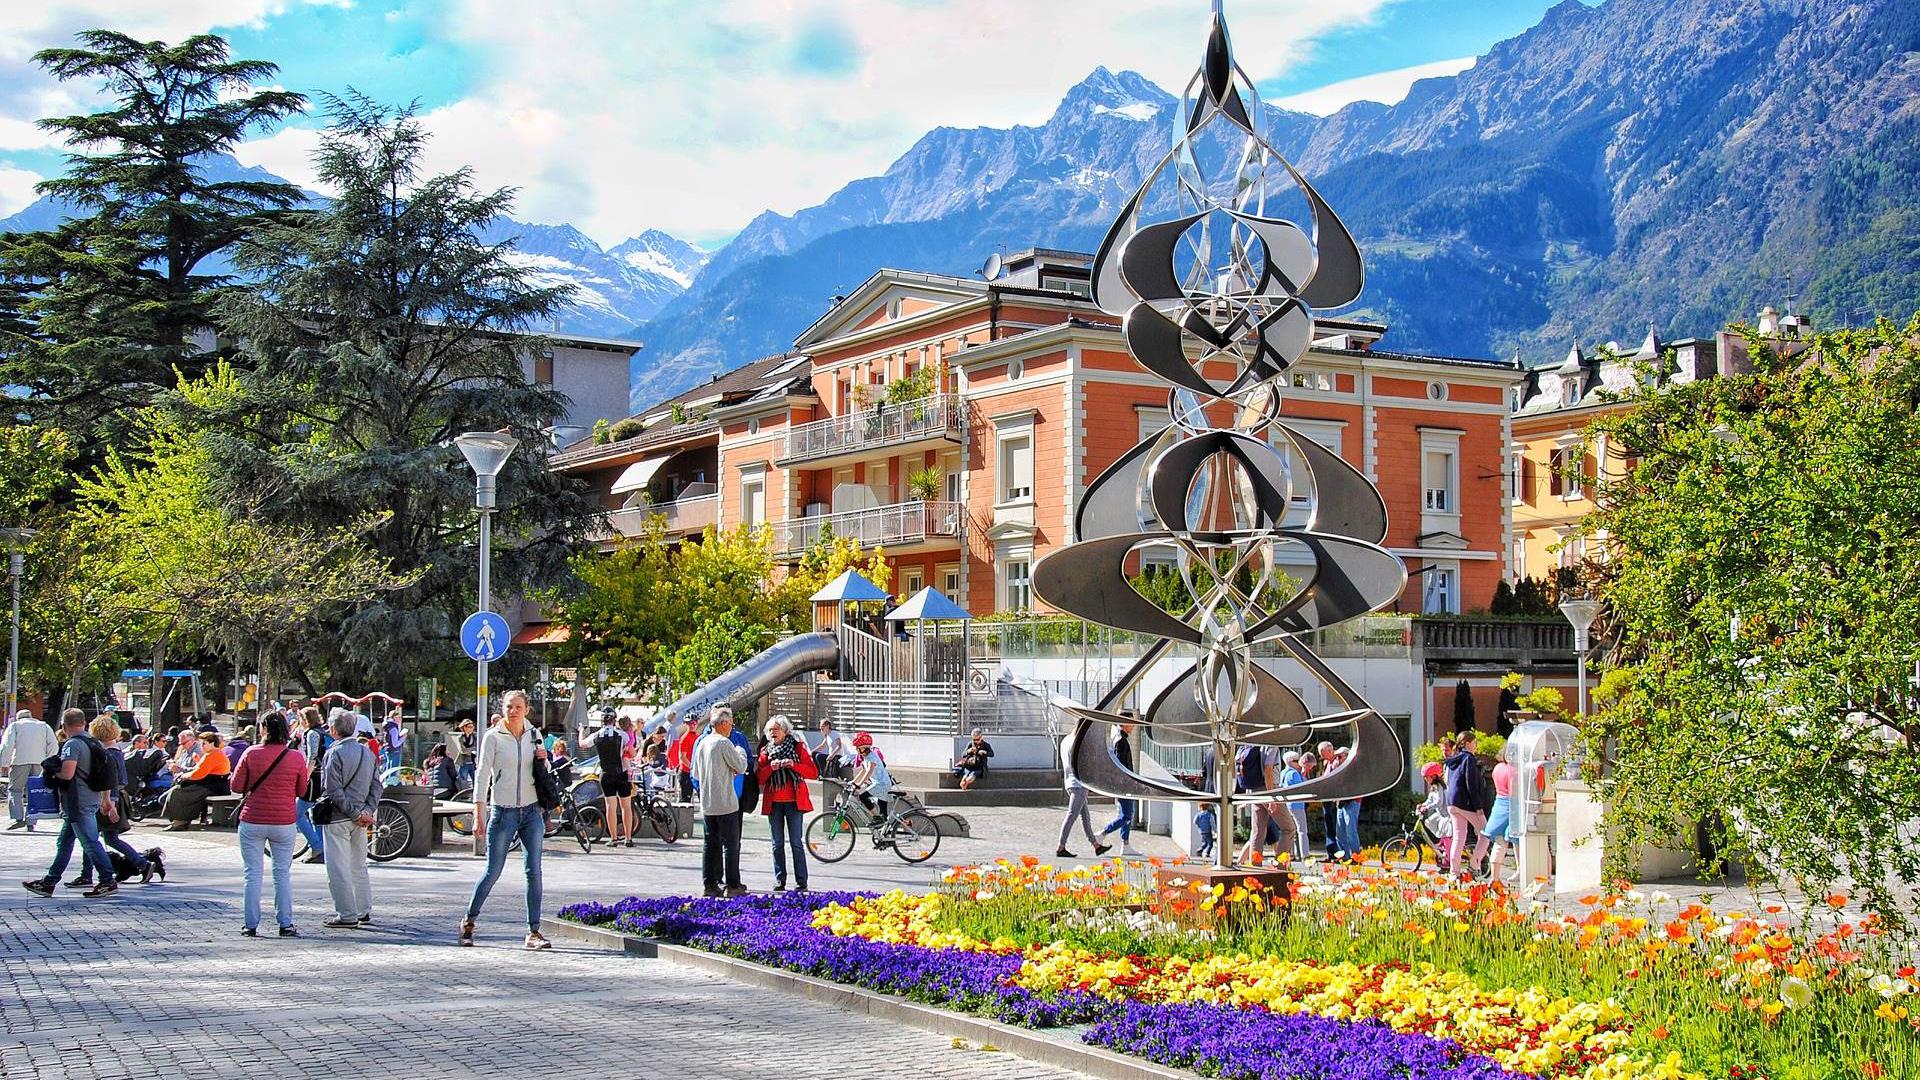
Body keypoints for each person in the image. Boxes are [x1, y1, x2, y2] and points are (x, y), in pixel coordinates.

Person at [463, 689, 551, 949]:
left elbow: (541, 772)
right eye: (509, 707)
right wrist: (478, 814)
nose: (513, 711)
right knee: (493, 870)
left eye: (518, 707)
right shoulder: (493, 737)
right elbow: (482, 776)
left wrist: (543, 761)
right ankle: (469, 919)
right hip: (503, 811)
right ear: (503, 709)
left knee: (533, 871)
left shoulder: (534, 735)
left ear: (526, 710)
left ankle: (533, 931)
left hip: (532, 810)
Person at [22, 710, 118, 898]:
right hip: (92, 798)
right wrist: (106, 799)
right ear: (84, 723)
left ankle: (107, 880)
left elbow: (67, 774)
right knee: (64, 842)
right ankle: (49, 882)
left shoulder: (72, 745)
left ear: (64, 727)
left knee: (90, 842)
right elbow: (105, 773)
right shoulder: (94, 742)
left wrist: (51, 771)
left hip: (77, 801)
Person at [230, 714, 307, 937]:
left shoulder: (251, 753)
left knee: (252, 874)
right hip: (283, 820)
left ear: (263, 729)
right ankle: (285, 923)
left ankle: (250, 924)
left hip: (252, 818)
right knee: (282, 873)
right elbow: (302, 791)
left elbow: (236, 785)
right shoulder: (295, 757)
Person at [67, 716, 155, 889]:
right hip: (112, 799)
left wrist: (109, 801)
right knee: (106, 838)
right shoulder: (114, 751)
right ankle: (142, 864)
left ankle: (89, 874)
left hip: (108, 800)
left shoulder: (109, 753)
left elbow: (115, 780)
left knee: (91, 838)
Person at [320, 710, 380, 930]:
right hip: (362, 818)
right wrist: (366, 811)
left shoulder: (333, 753)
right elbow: (377, 785)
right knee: (359, 865)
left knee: (338, 867)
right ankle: (363, 909)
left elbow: (332, 790)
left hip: (338, 817)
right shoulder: (368, 753)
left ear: (333, 730)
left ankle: (346, 914)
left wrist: (354, 812)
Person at [756, 715, 817, 892]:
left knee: (796, 842)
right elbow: (760, 777)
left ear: (785, 731)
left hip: (794, 803)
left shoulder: (798, 748)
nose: (773, 733)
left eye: (776, 729)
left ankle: (801, 881)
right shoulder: (765, 751)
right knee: (777, 843)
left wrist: (793, 764)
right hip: (774, 803)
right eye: (770, 730)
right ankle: (780, 879)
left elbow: (812, 772)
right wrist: (770, 768)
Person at [692, 709, 749, 898]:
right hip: (725, 801)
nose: (732, 727)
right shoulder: (724, 743)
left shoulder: (702, 742)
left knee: (710, 844)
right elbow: (740, 767)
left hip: (708, 801)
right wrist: (740, 752)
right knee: (730, 844)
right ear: (723, 724)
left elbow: (696, 774)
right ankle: (733, 884)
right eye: (731, 724)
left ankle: (709, 884)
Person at [1444, 729, 1493, 879]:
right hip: (1465, 803)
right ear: (1467, 743)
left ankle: (1454, 872)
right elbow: (1470, 783)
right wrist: (1478, 807)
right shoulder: (1468, 759)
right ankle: (1474, 864)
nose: (1476, 746)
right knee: (1486, 833)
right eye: (1474, 743)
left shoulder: (1454, 759)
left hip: (1452, 802)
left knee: (1459, 837)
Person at [161, 730, 231, 830]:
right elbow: (201, 769)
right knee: (177, 790)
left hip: (213, 787)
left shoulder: (212, 755)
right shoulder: (214, 753)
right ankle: (180, 820)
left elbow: (197, 774)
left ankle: (180, 822)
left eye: (204, 743)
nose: (202, 746)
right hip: (212, 785)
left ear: (212, 743)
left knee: (177, 792)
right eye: (201, 743)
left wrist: (183, 776)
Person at [1, 708, 56, 831]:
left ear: (18, 717)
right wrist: (47, 759)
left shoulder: (15, 726)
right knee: (34, 791)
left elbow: (7, 745)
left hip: (19, 761)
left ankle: (18, 818)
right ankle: (31, 821)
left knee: (15, 790)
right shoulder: (44, 726)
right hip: (39, 762)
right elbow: (53, 744)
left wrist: (4, 763)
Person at [1054, 747, 1109, 859]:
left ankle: (1096, 846)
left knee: (1085, 816)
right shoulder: (1077, 741)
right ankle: (1061, 847)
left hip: (1070, 782)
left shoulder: (1066, 741)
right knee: (1072, 815)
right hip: (1078, 784)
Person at [1096, 721, 1141, 857]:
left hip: (1123, 784)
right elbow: (1121, 766)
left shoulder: (1120, 740)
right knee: (1126, 815)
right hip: (1124, 785)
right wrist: (1128, 782)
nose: (1133, 726)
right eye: (1131, 723)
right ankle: (1102, 833)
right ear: (1124, 724)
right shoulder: (1121, 741)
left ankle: (1125, 844)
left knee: (1126, 814)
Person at [590, 709, 633, 846]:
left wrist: (580, 732)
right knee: (626, 806)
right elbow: (630, 751)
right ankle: (628, 839)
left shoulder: (597, 735)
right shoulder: (622, 735)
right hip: (621, 772)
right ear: (615, 720)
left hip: (606, 773)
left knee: (610, 806)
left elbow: (583, 744)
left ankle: (613, 838)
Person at [296, 707, 330, 864]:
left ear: (305, 719)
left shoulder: (311, 734)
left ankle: (316, 845)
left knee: (296, 813)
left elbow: (312, 757)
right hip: (323, 777)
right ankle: (320, 848)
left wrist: (304, 777)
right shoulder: (323, 731)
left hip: (313, 778)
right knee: (315, 814)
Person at [1483, 742, 1518, 882]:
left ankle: (1495, 877)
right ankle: (1521, 870)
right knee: (1517, 840)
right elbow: (1515, 792)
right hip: (1513, 806)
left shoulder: (1497, 768)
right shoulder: (1514, 771)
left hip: (1499, 804)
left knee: (1499, 842)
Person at [847, 731, 893, 822]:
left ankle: (876, 817)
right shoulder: (866, 757)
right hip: (879, 783)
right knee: (884, 813)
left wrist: (859, 784)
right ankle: (885, 830)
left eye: (857, 748)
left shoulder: (872, 756)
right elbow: (863, 770)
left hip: (882, 784)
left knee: (863, 797)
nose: (856, 750)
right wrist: (853, 781)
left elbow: (869, 771)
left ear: (864, 748)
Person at [1281, 751, 1310, 859]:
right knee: (1302, 830)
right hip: (1297, 804)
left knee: (1291, 830)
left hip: (1287, 804)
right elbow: (1302, 787)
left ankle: (1291, 853)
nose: (1299, 763)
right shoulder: (1294, 773)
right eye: (1296, 761)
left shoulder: (1283, 772)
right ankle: (1305, 854)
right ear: (1291, 762)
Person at [454, 719, 478, 786]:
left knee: (476, 781)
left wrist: (469, 750)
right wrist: (472, 750)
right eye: (469, 727)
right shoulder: (460, 738)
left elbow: (477, 748)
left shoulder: (475, 737)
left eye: (472, 727)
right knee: (463, 780)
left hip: (473, 763)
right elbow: (462, 751)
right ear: (464, 727)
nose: (471, 729)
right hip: (463, 763)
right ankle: (464, 795)